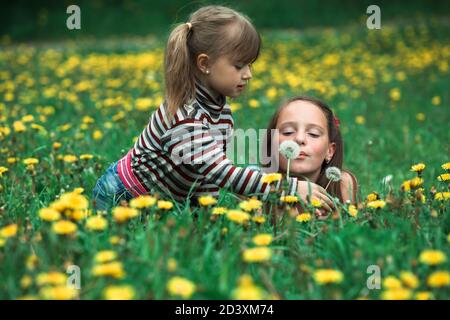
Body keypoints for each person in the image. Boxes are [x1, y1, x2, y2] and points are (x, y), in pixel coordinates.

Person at [92, 6, 334, 212]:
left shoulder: (220, 110)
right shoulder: (184, 117)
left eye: (250, 65)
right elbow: (221, 172)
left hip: (164, 199)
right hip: (122, 195)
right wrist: (289, 188)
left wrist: (208, 216)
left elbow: (209, 174)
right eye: (239, 66)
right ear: (205, 64)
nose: (248, 75)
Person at [261, 96, 359, 214]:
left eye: (313, 134)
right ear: (271, 144)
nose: (299, 139)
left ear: (330, 151)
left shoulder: (341, 185)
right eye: (288, 132)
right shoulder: (253, 188)